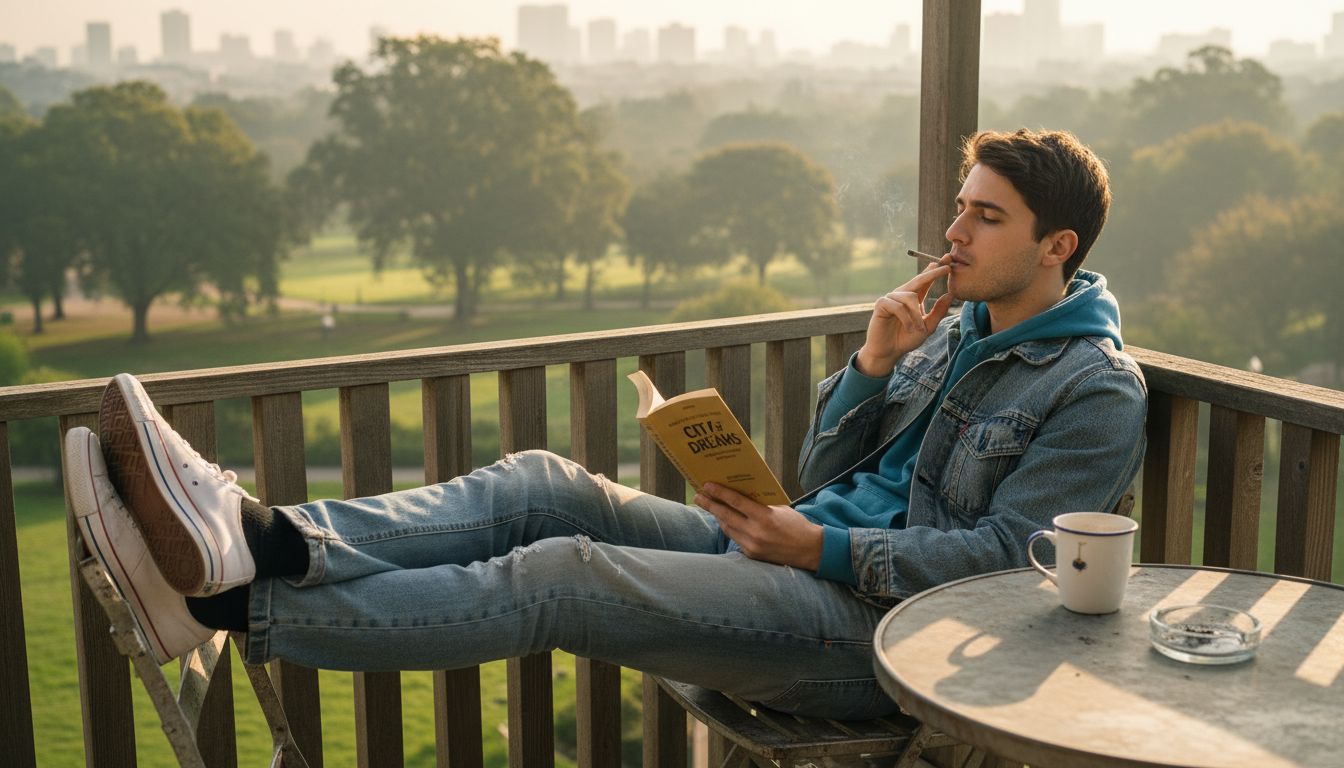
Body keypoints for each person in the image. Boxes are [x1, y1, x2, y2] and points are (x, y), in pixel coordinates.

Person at [65, 128, 1146, 721]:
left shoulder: (1093, 387)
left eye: (983, 216)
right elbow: (825, 471)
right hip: (792, 556)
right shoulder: (955, 332)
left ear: (1057, 247)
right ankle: (260, 540)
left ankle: (223, 601)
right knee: (543, 483)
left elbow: (1019, 564)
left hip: (889, 643)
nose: (952, 231)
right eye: (958, 205)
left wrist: (820, 546)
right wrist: (871, 365)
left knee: (565, 574)